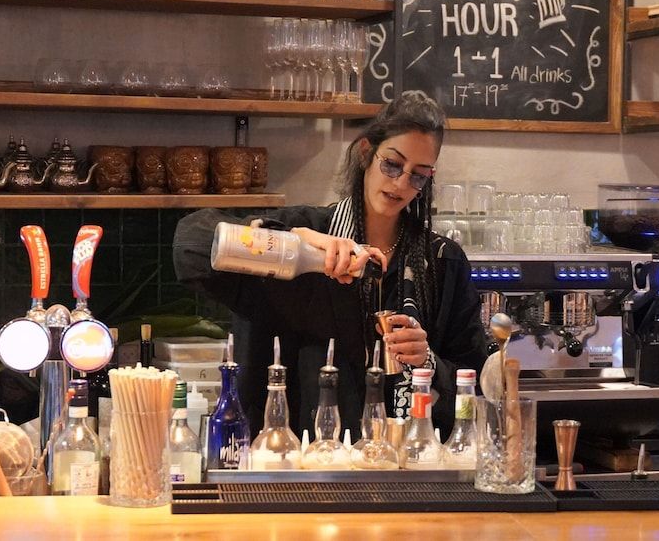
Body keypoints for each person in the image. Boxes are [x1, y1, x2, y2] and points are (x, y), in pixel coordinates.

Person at [173, 93, 487, 441]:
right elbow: (190, 246)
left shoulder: (443, 262)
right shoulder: (303, 234)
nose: (401, 183)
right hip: (298, 461)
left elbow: (475, 390)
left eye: (418, 175)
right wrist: (291, 241)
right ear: (366, 152)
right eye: (392, 165)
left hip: (406, 463)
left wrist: (428, 361)